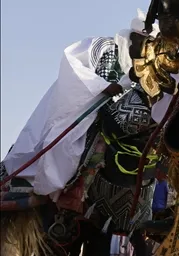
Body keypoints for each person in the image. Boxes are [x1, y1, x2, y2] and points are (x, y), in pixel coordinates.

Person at [2, 10, 167, 199]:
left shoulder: (147, 66)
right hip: (84, 111)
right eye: (145, 42)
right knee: (68, 146)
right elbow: (73, 65)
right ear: (135, 37)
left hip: (115, 121)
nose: (147, 49)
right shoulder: (102, 47)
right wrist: (101, 86)